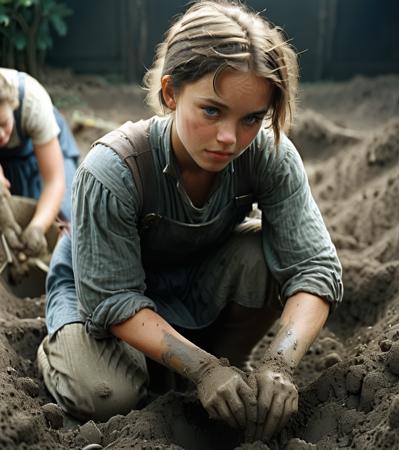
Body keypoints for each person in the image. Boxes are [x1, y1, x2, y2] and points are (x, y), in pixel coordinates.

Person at [37, 0, 343, 443]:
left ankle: (208, 367)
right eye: (212, 111)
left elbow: (315, 268)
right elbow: (113, 298)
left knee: (266, 258)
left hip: (193, 275)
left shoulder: (268, 154)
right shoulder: (113, 169)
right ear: (170, 93)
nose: (229, 138)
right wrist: (203, 369)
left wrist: (279, 365)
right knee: (106, 395)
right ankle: (76, 350)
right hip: (101, 290)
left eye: (252, 119)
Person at [0, 68, 79, 257]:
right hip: (8, 159)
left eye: (3, 124)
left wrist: (38, 227)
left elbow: (54, 181)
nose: (0, 134)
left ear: (13, 105)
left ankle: (65, 269)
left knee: (65, 214)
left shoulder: (32, 102)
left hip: (46, 147)